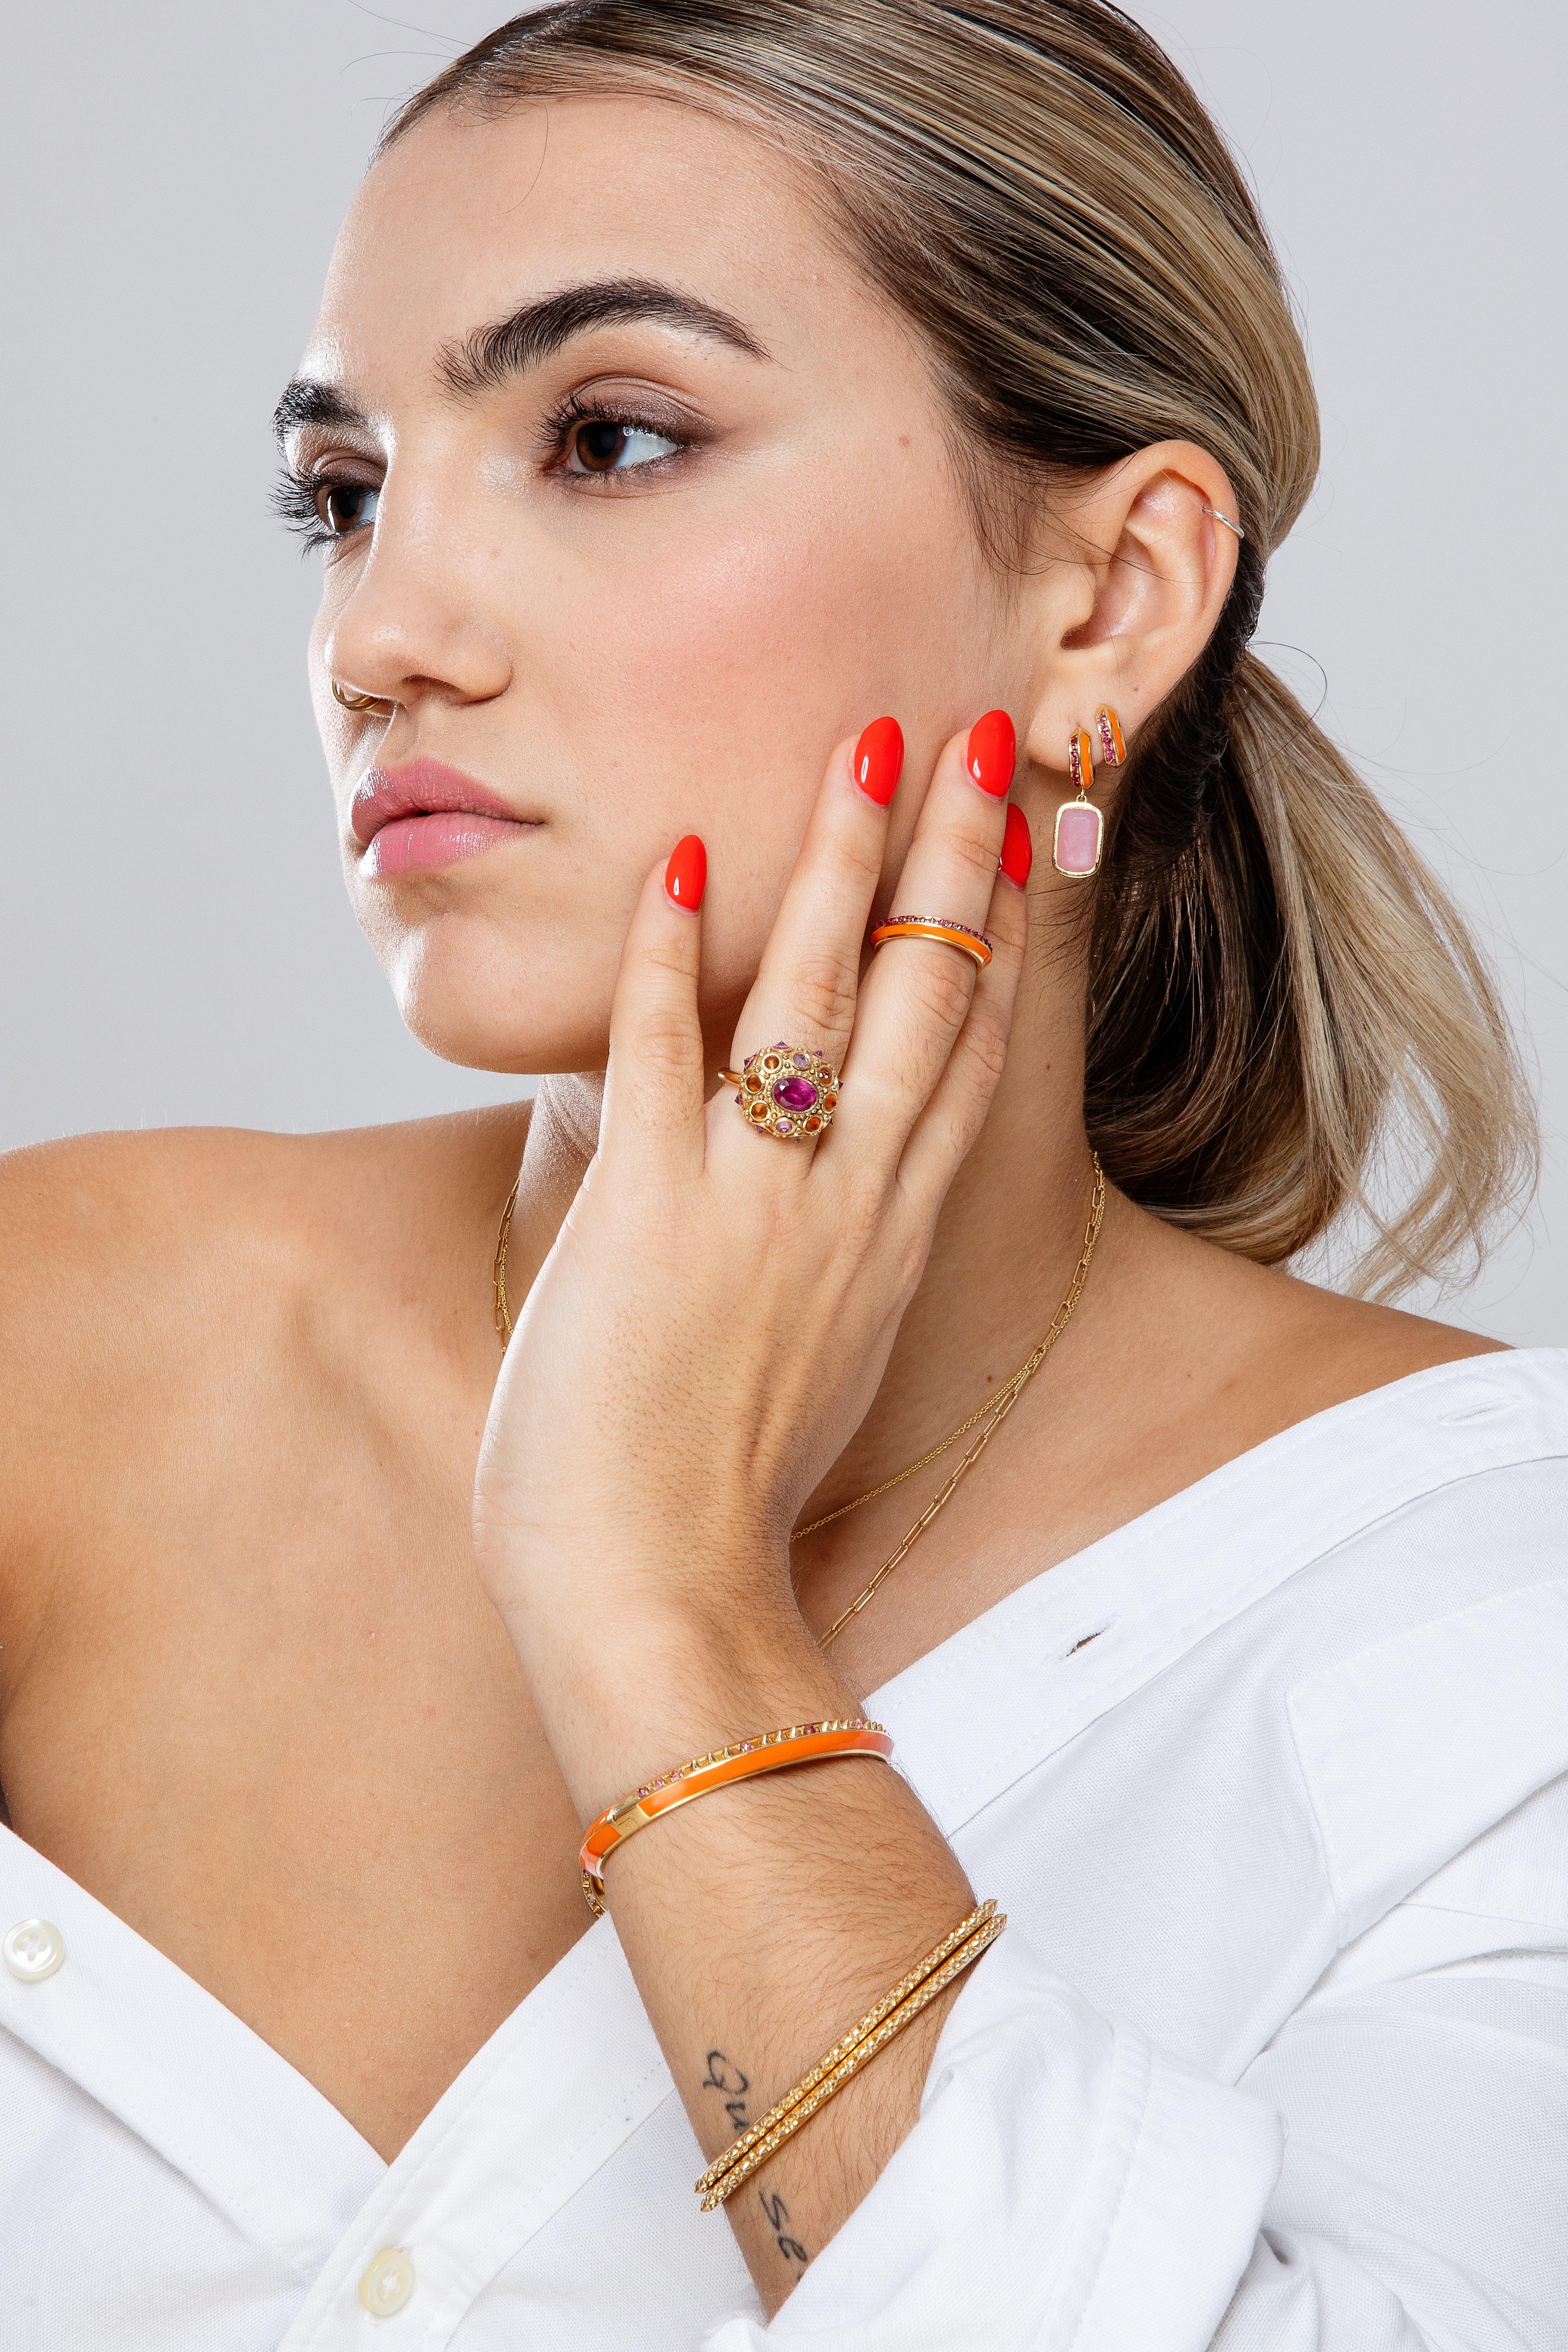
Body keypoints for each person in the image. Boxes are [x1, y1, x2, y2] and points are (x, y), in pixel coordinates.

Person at [1, 2, 1563, 2344]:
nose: (381, 637)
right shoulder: (60, 1355)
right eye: (345, 491)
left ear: (1114, 596)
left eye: (610, 437)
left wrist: (652, 1591)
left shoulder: (1486, 1620)